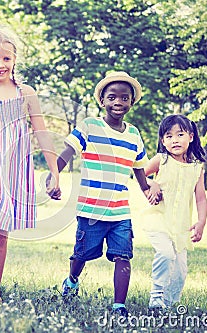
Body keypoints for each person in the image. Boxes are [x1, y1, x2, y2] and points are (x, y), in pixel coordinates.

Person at [0, 24, 60, 305]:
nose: (0, 64)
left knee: (0, 235)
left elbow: (42, 133)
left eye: (6, 58)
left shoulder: (25, 93)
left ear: (15, 60)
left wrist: (54, 172)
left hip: (15, 169)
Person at [48, 71, 159, 318]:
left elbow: (139, 168)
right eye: (112, 97)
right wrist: (53, 175)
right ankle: (72, 280)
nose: (118, 102)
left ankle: (119, 305)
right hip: (91, 209)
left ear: (131, 102)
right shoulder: (90, 126)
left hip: (120, 211)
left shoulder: (134, 135)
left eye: (124, 98)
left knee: (123, 255)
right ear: (103, 101)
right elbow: (68, 151)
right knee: (81, 255)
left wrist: (148, 189)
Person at [143, 114, 207, 311]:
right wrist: (152, 183)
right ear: (163, 141)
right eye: (169, 136)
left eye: (180, 134)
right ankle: (156, 297)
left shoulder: (197, 168)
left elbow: (201, 198)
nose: (175, 140)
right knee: (165, 253)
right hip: (158, 219)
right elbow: (139, 175)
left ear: (190, 136)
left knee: (180, 270)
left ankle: (168, 303)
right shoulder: (161, 160)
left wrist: (201, 222)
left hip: (181, 226)